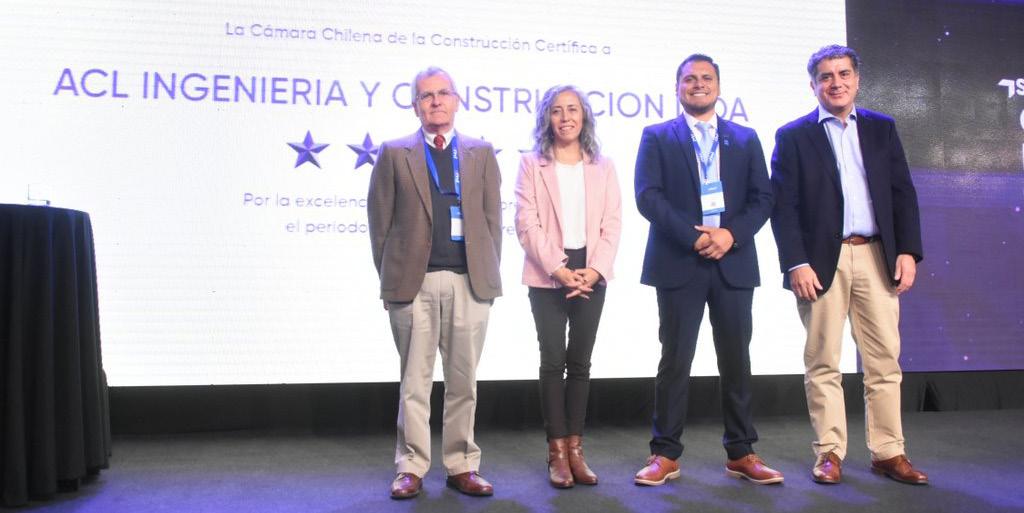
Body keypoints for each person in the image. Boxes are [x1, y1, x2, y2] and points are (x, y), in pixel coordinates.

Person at [770, 44, 928, 485]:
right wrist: (796, 262)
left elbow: (902, 193)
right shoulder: (793, 135)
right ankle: (829, 452)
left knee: (884, 361)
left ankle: (888, 452)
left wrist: (907, 251)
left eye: (843, 74)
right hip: (822, 262)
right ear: (813, 85)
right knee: (823, 360)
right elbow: (784, 207)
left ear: (857, 80)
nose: (835, 83)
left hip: (877, 256)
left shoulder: (882, 128)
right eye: (826, 76)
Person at [633, 54, 782, 486]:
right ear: (677, 87)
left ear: (718, 86)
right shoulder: (657, 135)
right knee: (675, 360)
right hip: (679, 261)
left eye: (706, 78)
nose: (698, 84)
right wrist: (693, 237)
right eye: (689, 79)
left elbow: (763, 198)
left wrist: (730, 235)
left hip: (733, 261)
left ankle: (742, 452)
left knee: (736, 359)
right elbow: (648, 195)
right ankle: (665, 454)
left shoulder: (745, 137)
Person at [367, 66, 503, 499]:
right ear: (415, 106)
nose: (436, 101)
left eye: (444, 93)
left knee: (464, 382)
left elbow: (492, 222)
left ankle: (462, 465)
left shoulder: (481, 152)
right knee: (415, 383)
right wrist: (390, 282)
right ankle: (411, 466)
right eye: (426, 95)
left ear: (457, 101)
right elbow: (379, 224)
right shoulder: (394, 153)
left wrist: (488, 276)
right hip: (414, 285)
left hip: (469, 284)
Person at [514, 85, 622, 488]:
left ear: (584, 116)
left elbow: (612, 224)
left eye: (573, 110)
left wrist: (594, 271)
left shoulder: (603, 166)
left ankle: (576, 450)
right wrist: (559, 270)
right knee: (552, 361)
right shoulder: (531, 164)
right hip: (548, 273)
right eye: (557, 111)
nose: (565, 118)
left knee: (580, 363)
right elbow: (527, 224)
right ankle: (556, 453)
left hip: (591, 270)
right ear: (547, 118)